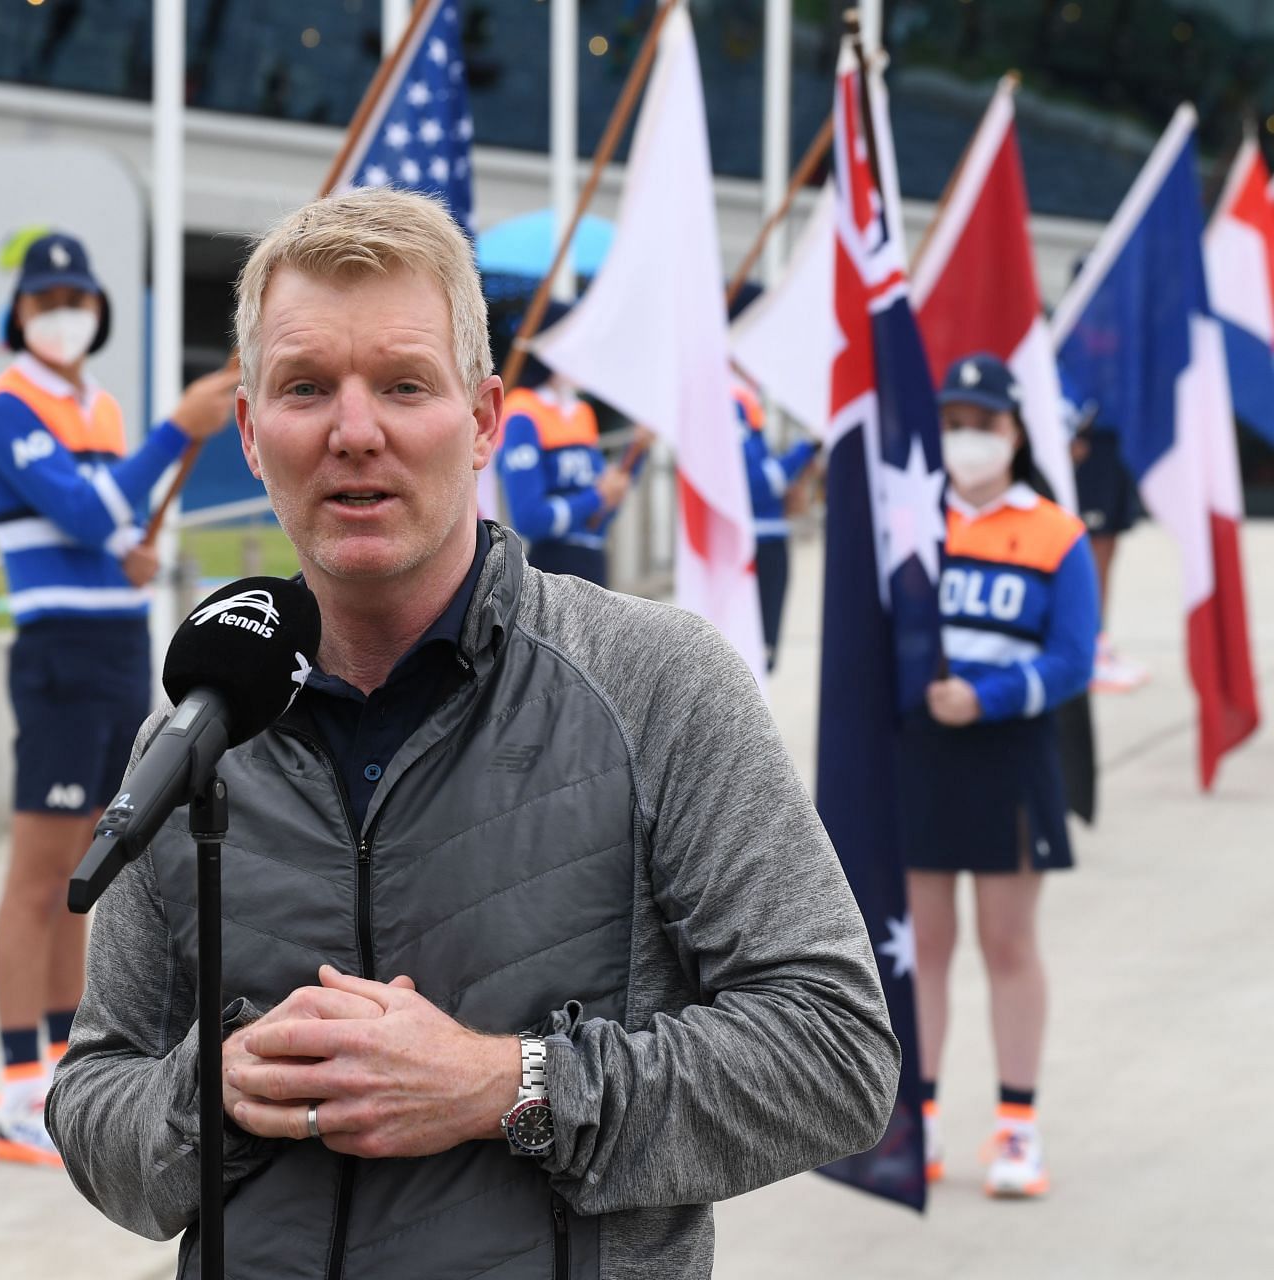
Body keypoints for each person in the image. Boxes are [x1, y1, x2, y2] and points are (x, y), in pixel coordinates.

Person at [47, 189, 899, 1278]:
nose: (356, 431)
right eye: (306, 389)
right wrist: (207, 1091)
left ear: (487, 417)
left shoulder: (658, 684)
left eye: (404, 383)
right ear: (253, 436)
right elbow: (93, 1097)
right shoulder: (195, 731)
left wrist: (510, 1085)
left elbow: (836, 1052)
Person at [0, 230, 238, 1167]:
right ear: (20, 313)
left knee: (93, 869)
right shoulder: (6, 407)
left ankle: (57, 1061)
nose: (63, 315)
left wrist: (132, 549)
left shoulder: (100, 406)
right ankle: (14, 1083)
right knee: (40, 874)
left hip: (120, 644)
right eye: (45, 301)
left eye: (76, 298)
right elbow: (84, 512)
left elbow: (112, 521)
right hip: (59, 654)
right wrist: (179, 429)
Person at [901, 353, 1098, 1199]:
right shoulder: (910, 522)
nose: (967, 439)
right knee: (924, 947)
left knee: (1009, 943)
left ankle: (1017, 1126)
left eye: (984, 424)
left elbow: (1074, 660)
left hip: (1011, 756)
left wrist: (986, 699)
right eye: (954, 423)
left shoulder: (1056, 532)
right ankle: (921, 1117)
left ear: (1015, 433)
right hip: (925, 759)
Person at [495, 300, 649, 586]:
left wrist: (637, 454)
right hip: (552, 570)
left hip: (594, 563)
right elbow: (529, 519)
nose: (589, 354)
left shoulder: (581, 412)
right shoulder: (522, 413)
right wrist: (598, 497)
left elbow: (599, 517)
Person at [1068, 393, 1148, 691]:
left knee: (1108, 541)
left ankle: (1098, 640)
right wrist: (1072, 425)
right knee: (1090, 543)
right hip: (1086, 432)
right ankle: (1087, 646)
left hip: (1119, 431)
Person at [737, 382, 818, 672]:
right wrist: (805, 448)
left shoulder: (749, 400)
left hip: (768, 538)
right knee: (746, 656)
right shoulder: (733, 400)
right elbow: (755, 484)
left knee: (762, 656)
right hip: (751, 543)